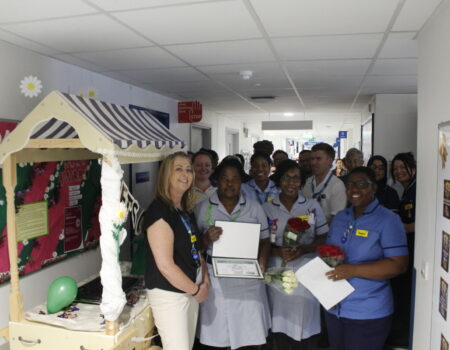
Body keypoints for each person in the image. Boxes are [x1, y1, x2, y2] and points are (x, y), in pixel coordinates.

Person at [324, 167, 408, 350]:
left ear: (374, 188)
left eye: (361, 184)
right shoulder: (340, 217)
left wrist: (353, 270)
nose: (354, 189)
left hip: (367, 312)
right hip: (334, 308)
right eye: (350, 185)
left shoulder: (388, 220)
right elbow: (328, 252)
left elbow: (399, 265)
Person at [195, 157, 271, 350]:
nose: (230, 184)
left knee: (249, 334)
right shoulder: (204, 208)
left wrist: (262, 260)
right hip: (215, 277)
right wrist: (206, 239)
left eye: (235, 179)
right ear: (217, 181)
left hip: (247, 278)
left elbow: (265, 240)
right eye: (224, 178)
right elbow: (194, 246)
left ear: (241, 182)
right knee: (217, 334)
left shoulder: (254, 207)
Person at [143, 151, 209, 350]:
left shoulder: (184, 209)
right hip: (170, 295)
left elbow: (196, 248)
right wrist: (196, 289)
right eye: (178, 169)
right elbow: (165, 266)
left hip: (191, 288)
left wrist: (205, 279)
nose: (185, 174)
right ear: (166, 175)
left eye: (189, 170)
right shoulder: (158, 211)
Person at [263, 160, 328, 349]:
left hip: (306, 269)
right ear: (279, 181)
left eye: (296, 179)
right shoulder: (268, 207)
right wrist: (277, 251)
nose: (291, 183)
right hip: (277, 271)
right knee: (280, 323)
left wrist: (304, 249)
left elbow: (323, 237)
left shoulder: (311, 206)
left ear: (301, 182)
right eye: (286, 178)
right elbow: (261, 241)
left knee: (306, 323)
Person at [388, 152, 416, 347]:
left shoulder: (417, 190)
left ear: (413, 168)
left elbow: (421, 220)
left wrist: (401, 227)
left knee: (406, 293)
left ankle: (404, 337)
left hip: (414, 249)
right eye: (395, 168)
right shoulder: (405, 190)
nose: (399, 171)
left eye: (402, 167)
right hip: (405, 247)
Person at [301, 143, 347, 224]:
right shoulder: (307, 183)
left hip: (328, 234)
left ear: (330, 160)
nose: (313, 163)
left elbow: (336, 219)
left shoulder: (337, 186)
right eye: (312, 159)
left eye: (318, 159)